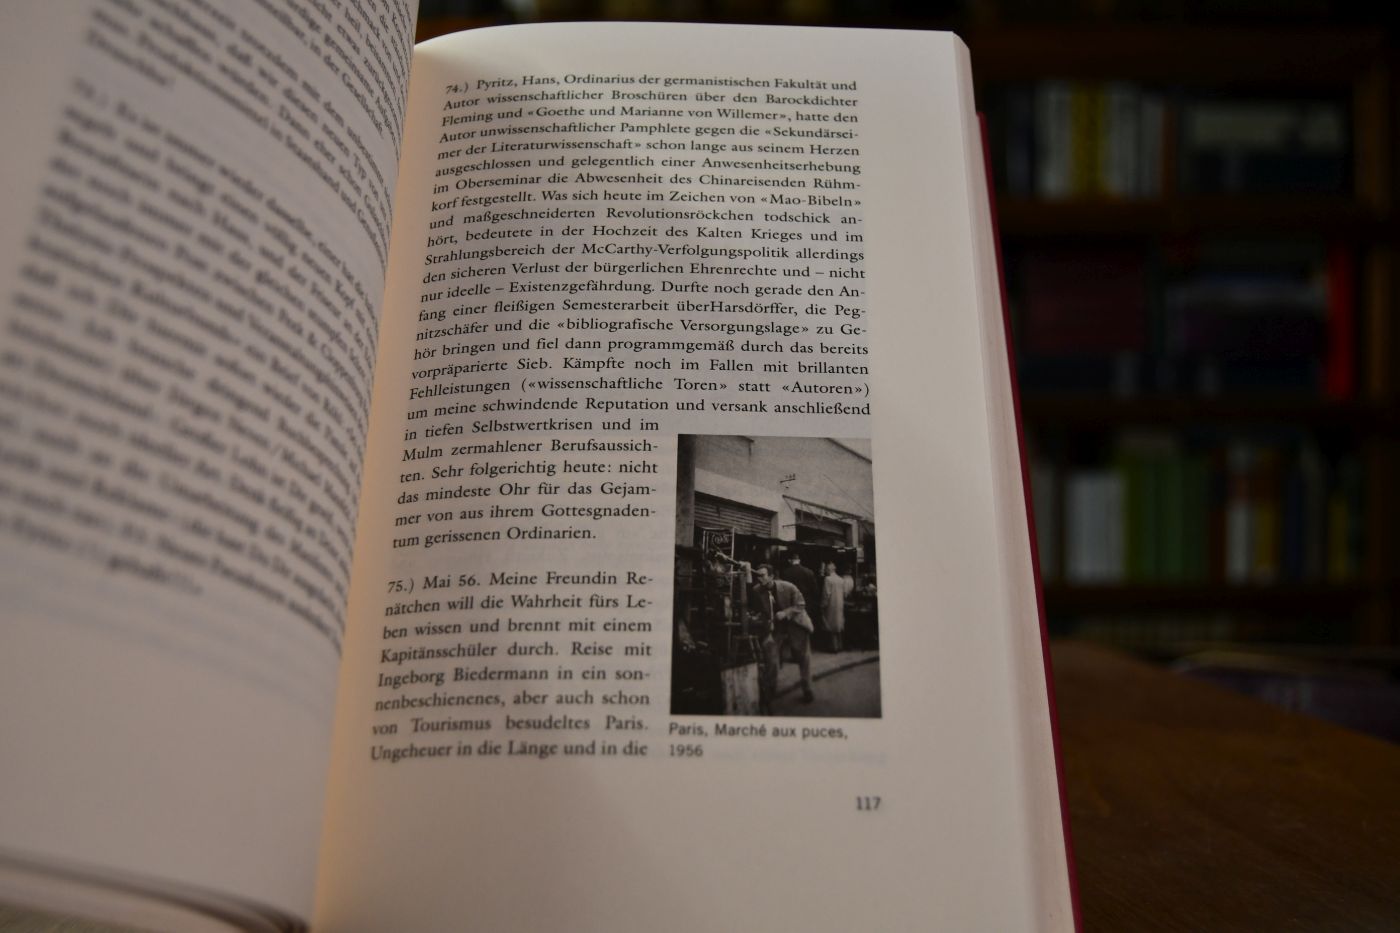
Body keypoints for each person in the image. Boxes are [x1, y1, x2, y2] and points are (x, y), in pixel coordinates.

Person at [752, 563, 813, 704]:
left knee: (803, 657)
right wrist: (760, 620)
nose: (759, 578)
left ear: (771, 576)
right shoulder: (757, 590)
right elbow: (760, 611)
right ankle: (770, 689)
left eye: (762, 575)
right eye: (757, 576)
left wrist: (785, 613)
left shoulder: (788, 587)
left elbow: (801, 604)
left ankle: (807, 689)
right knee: (770, 656)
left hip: (796, 624)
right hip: (776, 628)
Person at [822, 562, 846, 653]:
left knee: (830, 626)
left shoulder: (828, 579)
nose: (825, 571)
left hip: (831, 605)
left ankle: (833, 647)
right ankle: (840, 645)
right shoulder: (841, 579)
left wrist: (823, 605)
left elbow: (826, 594)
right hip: (840, 604)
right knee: (838, 625)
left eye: (826, 569)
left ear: (829, 569)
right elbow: (844, 593)